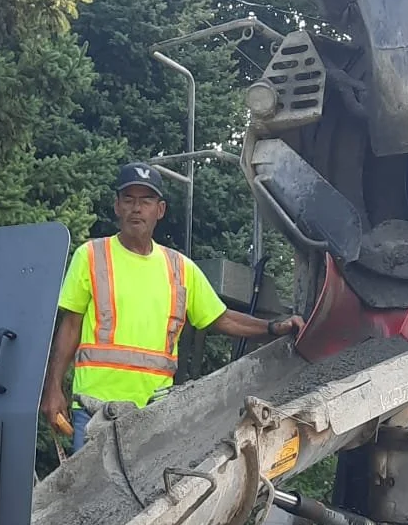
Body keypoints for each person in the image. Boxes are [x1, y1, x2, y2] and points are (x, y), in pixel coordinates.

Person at [41, 162, 303, 448]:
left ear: (160, 210)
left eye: (146, 200)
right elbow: (70, 325)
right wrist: (53, 388)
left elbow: (222, 318)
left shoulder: (180, 268)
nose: (136, 208)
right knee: (90, 494)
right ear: (117, 206)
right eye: (128, 199)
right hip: (94, 411)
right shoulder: (91, 255)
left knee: (152, 495)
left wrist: (273, 327)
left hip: (155, 415)